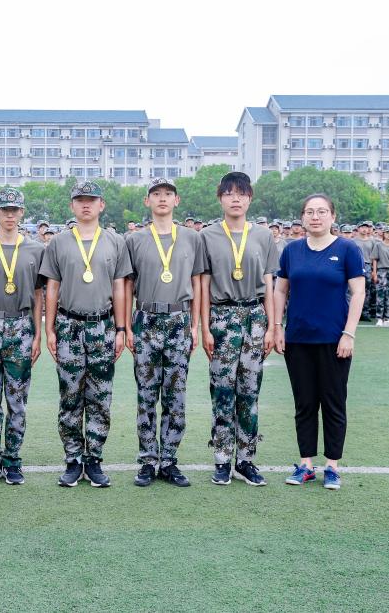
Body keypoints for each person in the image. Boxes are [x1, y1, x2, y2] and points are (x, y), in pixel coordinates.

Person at [40, 181, 131, 488]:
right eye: (80, 200)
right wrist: (50, 329)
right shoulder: (59, 242)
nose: (86, 205)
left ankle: (93, 459)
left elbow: (120, 287)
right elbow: (52, 287)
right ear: (72, 206)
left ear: (101, 205)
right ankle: (73, 459)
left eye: (91, 200)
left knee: (100, 397)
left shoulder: (115, 241)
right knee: (70, 396)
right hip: (69, 325)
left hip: (103, 326)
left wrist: (121, 328)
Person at [273, 194, 365, 492]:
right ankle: (306, 465)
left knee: (334, 404)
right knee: (305, 404)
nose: (315, 217)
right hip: (298, 339)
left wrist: (349, 333)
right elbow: (280, 290)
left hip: (334, 340)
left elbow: (358, 292)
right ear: (302, 217)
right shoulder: (292, 251)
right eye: (310, 212)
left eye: (322, 212)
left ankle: (332, 467)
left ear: (332, 216)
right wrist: (277, 327)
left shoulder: (347, 249)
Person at [199, 172, 279, 486]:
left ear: (249, 199)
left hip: (254, 317)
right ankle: (222, 459)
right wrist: (204, 328)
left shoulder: (263, 236)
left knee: (249, 391)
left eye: (242, 193)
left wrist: (272, 327)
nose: (236, 199)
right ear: (220, 198)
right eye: (229, 193)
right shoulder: (207, 236)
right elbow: (203, 285)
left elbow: (269, 284)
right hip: (221, 317)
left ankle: (246, 459)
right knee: (222, 390)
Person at [125, 177, 204, 488]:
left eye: (168, 194)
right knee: (146, 394)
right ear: (147, 201)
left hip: (178, 319)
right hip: (146, 319)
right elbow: (127, 285)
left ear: (176, 200)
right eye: (156, 194)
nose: (162, 198)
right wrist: (126, 326)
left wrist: (195, 326)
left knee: (175, 395)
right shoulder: (134, 240)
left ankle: (169, 460)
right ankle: (148, 460)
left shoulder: (192, 238)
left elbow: (198, 283)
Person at [0, 188, 45, 486]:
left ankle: (13, 459)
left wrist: (38, 334)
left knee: (17, 399)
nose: (10, 215)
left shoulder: (36, 250)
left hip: (21, 325)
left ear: (22, 212)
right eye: (5, 210)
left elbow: (39, 294)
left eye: (15, 210)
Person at [371, 227, 389, 327]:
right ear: (384, 234)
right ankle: (379, 318)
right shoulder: (378, 245)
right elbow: (375, 259)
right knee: (380, 295)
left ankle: (387, 318)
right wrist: (374, 273)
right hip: (381, 271)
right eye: (387, 233)